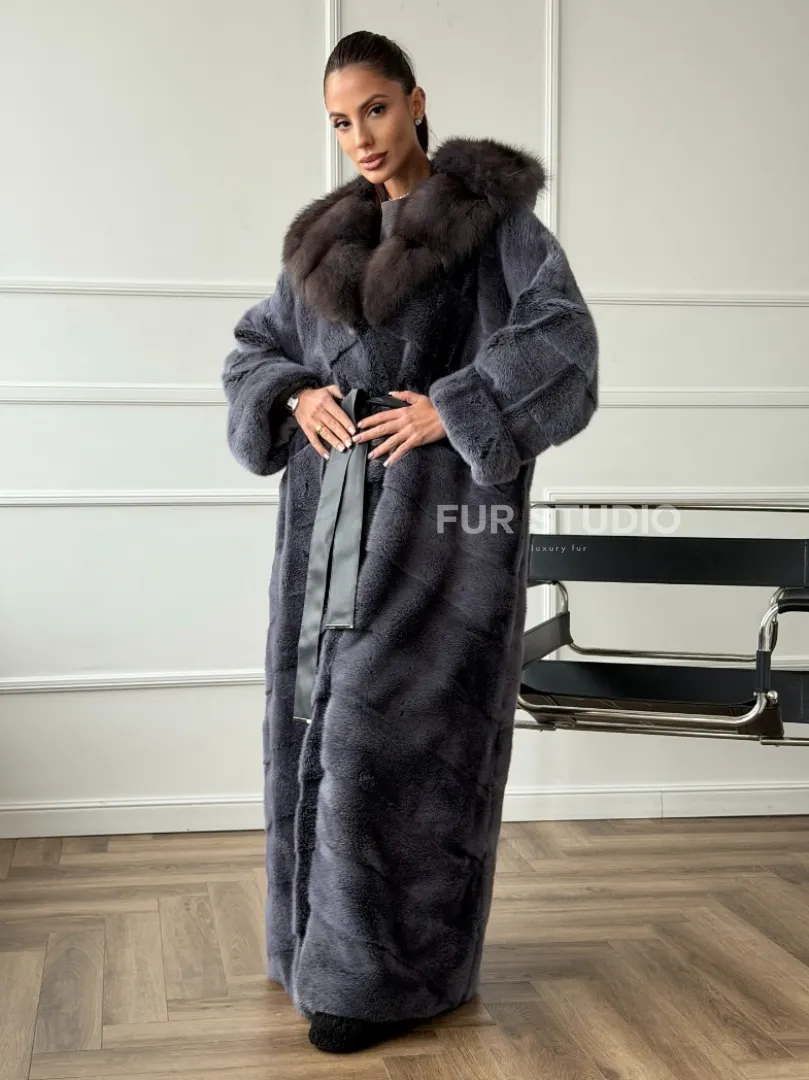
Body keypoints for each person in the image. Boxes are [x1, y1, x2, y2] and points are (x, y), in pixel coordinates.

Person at [222, 29, 598, 1055]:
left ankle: (391, 978)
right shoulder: (320, 245)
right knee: (312, 723)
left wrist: (455, 405)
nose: (362, 136)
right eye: (341, 121)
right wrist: (293, 394)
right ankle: (314, 948)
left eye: (376, 109)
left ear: (415, 101)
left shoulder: (492, 225)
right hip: (324, 534)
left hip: (440, 545)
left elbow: (564, 343)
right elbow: (254, 348)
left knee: (396, 746)